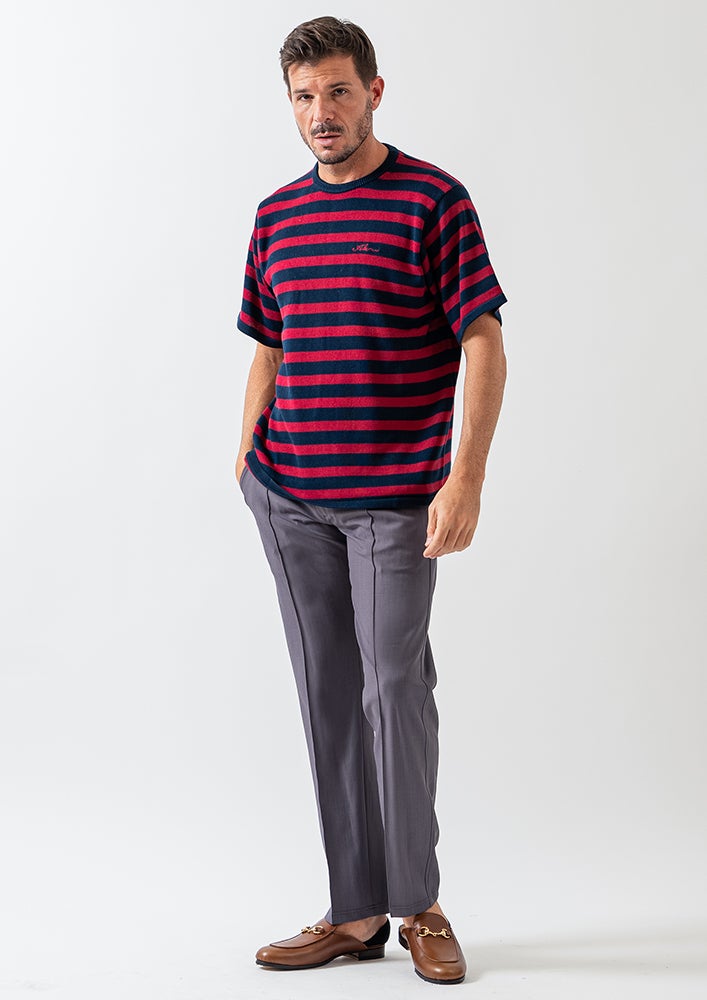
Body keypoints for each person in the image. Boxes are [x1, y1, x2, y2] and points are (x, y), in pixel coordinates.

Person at [235, 16, 508, 986]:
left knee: (394, 689)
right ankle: (353, 912)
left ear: (374, 92)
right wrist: (246, 458)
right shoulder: (275, 215)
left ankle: (418, 903)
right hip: (289, 496)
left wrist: (464, 476)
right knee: (325, 694)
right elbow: (268, 343)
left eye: (338, 91)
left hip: (393, 499)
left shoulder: (433, 199)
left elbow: (482, 341)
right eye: (304, 96)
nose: (322, 112)